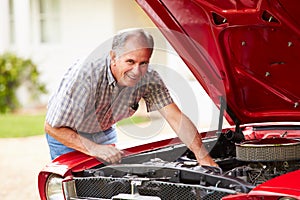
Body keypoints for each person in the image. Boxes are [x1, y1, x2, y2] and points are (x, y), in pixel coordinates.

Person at [45, 28, 218, 167]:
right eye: (130, 62)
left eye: (144, 63)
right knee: (73, 184)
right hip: (67, 134)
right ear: (114, 57)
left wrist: (203, 157)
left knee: (102, 185)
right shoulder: (85, 75)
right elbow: (52, 127)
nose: (137, 71)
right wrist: (94, 148)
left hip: (104, 131)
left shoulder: (149, 78)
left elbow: (175, 117)